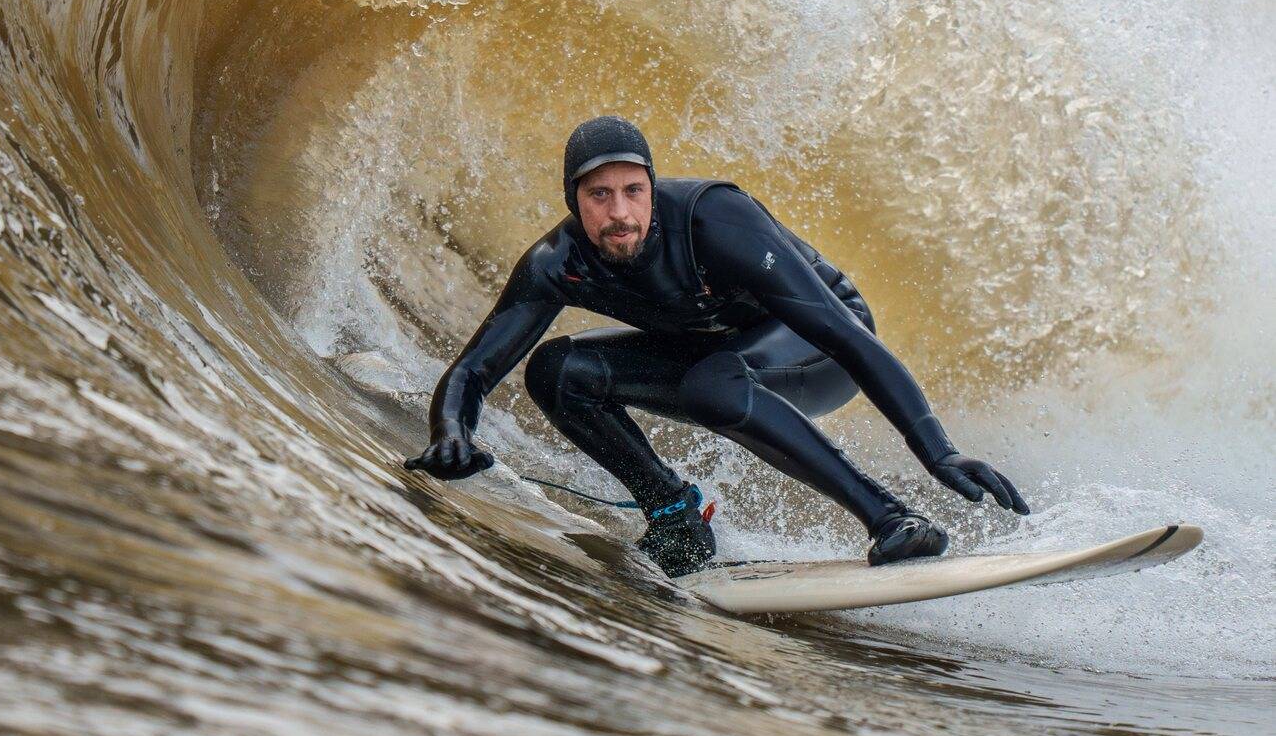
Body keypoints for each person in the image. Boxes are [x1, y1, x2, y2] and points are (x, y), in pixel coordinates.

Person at [404, 115, 1030, 576]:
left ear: (652, 187)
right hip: (717, 356)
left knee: (714, 384)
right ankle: (673, 513)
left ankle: (893, 520)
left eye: (633, 191)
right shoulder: (556, 263)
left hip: (819, 349)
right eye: (599, 196)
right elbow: (474, 371)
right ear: (575, 202)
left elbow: (844, 334)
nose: (619, 212)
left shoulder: (714, 220)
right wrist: (451, 432)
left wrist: (938, 452)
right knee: (555, 370)